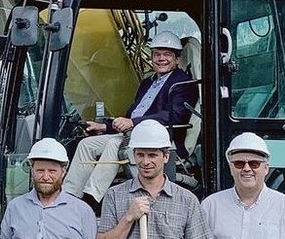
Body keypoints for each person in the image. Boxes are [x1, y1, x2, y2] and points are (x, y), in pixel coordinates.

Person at [62, 31, 197, 206]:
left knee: (114, 144)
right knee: (86, 145)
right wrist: (104, 127)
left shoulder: (183, 83)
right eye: (157, 54)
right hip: (132, 134)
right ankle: (70, 196)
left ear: (177, 59)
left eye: (167, 54)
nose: (161, 58)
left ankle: (91, 199)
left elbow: (174, 116)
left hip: (160, 138)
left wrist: (133, 123)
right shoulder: (147, 83)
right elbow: (131, 116)